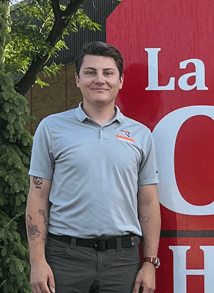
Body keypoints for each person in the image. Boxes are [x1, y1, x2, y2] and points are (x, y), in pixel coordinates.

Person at [25, 41, 160, 293]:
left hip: (123, 261)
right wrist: (37, 261)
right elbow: (38, 196)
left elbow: (149, 201)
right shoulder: (51, 128)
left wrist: (149, 263)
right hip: (64, 258)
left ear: (120, 80)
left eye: (108, 73)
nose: (100, 80)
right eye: (90, 72)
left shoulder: (141, 134)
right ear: (77, 79)